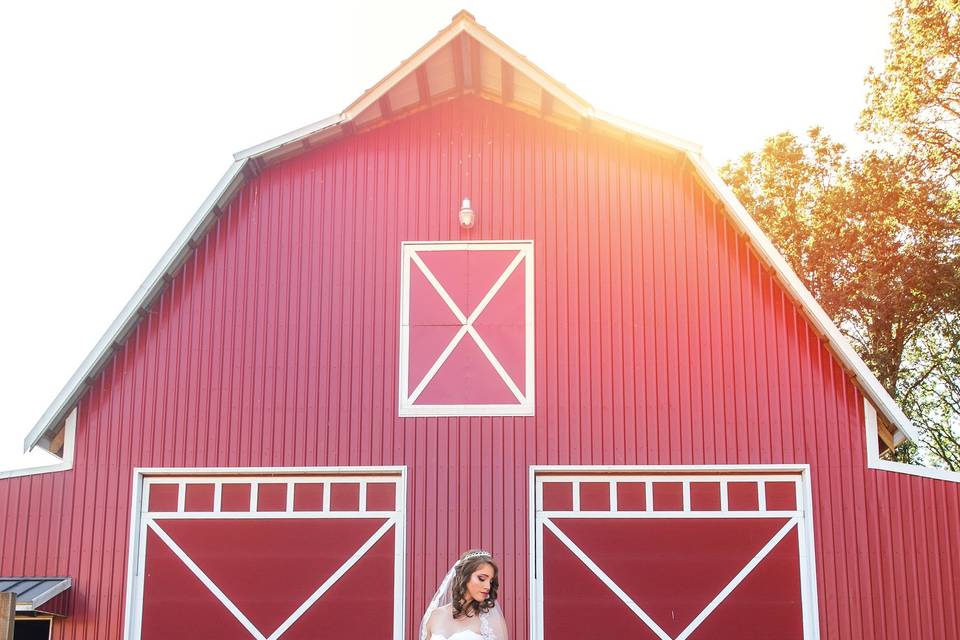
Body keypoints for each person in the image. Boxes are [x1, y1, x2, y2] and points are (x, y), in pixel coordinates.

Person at [419, 549, 509, 640]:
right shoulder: (434, 616)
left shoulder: (493, 622)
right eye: (482, 578)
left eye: (491, 581)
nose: (488, 587)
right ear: (464, 576)